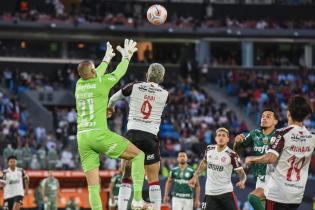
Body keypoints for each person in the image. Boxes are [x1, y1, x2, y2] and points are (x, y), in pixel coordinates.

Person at [75, 39, 151, 210]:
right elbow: (119, 72)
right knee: (138, 156)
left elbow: (94, 73)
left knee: (93, 186)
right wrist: (127, 56)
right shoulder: (101, 84)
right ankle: (138, 200)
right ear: (93, 71)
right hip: (98, 134)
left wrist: (106, 59)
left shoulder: (79, 85)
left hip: (82, 138)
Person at [108, 62, 169, 210]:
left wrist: (110, 107)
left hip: (132, 134)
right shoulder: (165, 94)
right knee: (153, 178)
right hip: (150, 136)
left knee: (126, 174)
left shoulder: (135, 86)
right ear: (162, 78)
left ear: (147, 74)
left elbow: (114, 97)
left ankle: (122, 208)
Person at [245, 96, 314, 210]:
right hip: (296, 195)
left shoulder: (282, 134)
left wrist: (252, 159)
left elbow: (271, 158)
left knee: (253, 198)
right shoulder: (311, 137)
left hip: (279, 194)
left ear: (289, 113)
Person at [189, 127, 247, 210]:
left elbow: (241, 173)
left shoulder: (232, 155)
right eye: (219, 135)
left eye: (224, 136)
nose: (221, 137)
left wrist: (242, 181)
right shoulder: (209, 149)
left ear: (228, 139)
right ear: (216, 138)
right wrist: (195, 176)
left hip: (226, 193)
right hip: (209, 193)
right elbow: (203, 163)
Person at [234, 108, 279, 210]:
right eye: (263, 116)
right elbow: (237, 151)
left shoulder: (279, 136)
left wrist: (252, 158)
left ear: (275, 121)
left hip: (274, 178)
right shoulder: (255, 133)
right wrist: (237, 142)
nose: (264, 118)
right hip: (259, 179)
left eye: (268, 116)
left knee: (253, 198)